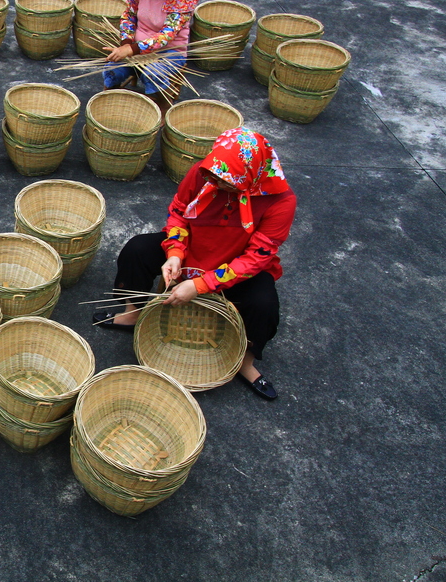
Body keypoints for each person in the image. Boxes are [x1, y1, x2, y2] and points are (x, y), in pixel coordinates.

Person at [93, 128, 296, 400]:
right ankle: (133, 313)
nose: (216, 182)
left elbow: (256, 257)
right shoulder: (205, 172)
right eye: (214, 176)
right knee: (137, 249)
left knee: (264, 305)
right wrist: (175, 253)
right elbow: (179, 213)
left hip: (236, 265)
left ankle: (245, 361)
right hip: (193, 249)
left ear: (251, 174)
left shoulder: (281, 201)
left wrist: (201, 285)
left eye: (226, 180)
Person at [101, 0, 199, 119]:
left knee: (154, 73)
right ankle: (111, 94)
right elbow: (128, 15)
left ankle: (161, 103)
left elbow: (166, 36)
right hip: (136, 45)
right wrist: (126, 43)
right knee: (112, 68)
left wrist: (131, 49)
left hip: (169, 51)